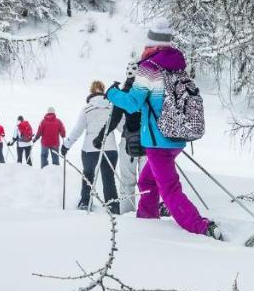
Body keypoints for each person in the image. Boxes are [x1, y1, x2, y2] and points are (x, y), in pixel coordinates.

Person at [106, 21, 221, 239]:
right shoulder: (177, 65)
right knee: (147, 181)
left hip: (157, 139)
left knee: (169, 189)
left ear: (153, 45)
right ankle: (147, 219)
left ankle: (200, 227)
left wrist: (112, 93)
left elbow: (132, 103)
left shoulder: (149, 68)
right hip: (175, 137)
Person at [64, 81, 120, 213]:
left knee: (88, 174)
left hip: (90, 149)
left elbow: (77, 130)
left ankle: (85, 201)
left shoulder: (87, 109)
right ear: (103, 90)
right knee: (108, 177)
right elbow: (122, 127)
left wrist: (66, 145)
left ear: (91, 92)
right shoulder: (112, 107)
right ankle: (113, 206)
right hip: (110, 148)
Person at [97, 56, 142, 212]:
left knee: (127, 182)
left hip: (127, 142)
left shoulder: (123, 93)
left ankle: (128, 213)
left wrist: (100, 137)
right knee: (148, 182)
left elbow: (113, 120)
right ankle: (148, 215)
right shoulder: (147, 91)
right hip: (148, 142)